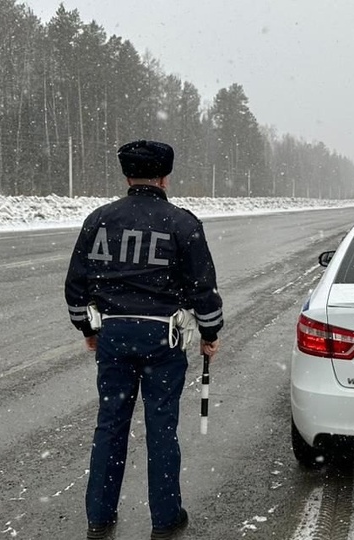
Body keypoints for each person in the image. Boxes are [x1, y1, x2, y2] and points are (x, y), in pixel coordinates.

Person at [64, 140, 223, 540]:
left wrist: (87, 330)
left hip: (114, 336)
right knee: (161, 429)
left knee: (110, 427)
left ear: (127, 175)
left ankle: (99, 518)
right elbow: (203, 287)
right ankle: (165, 520)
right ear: (165, 176)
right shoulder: (182, 223)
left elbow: (76, 286)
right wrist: (210, 333)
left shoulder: (99, 220)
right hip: (163, 340)